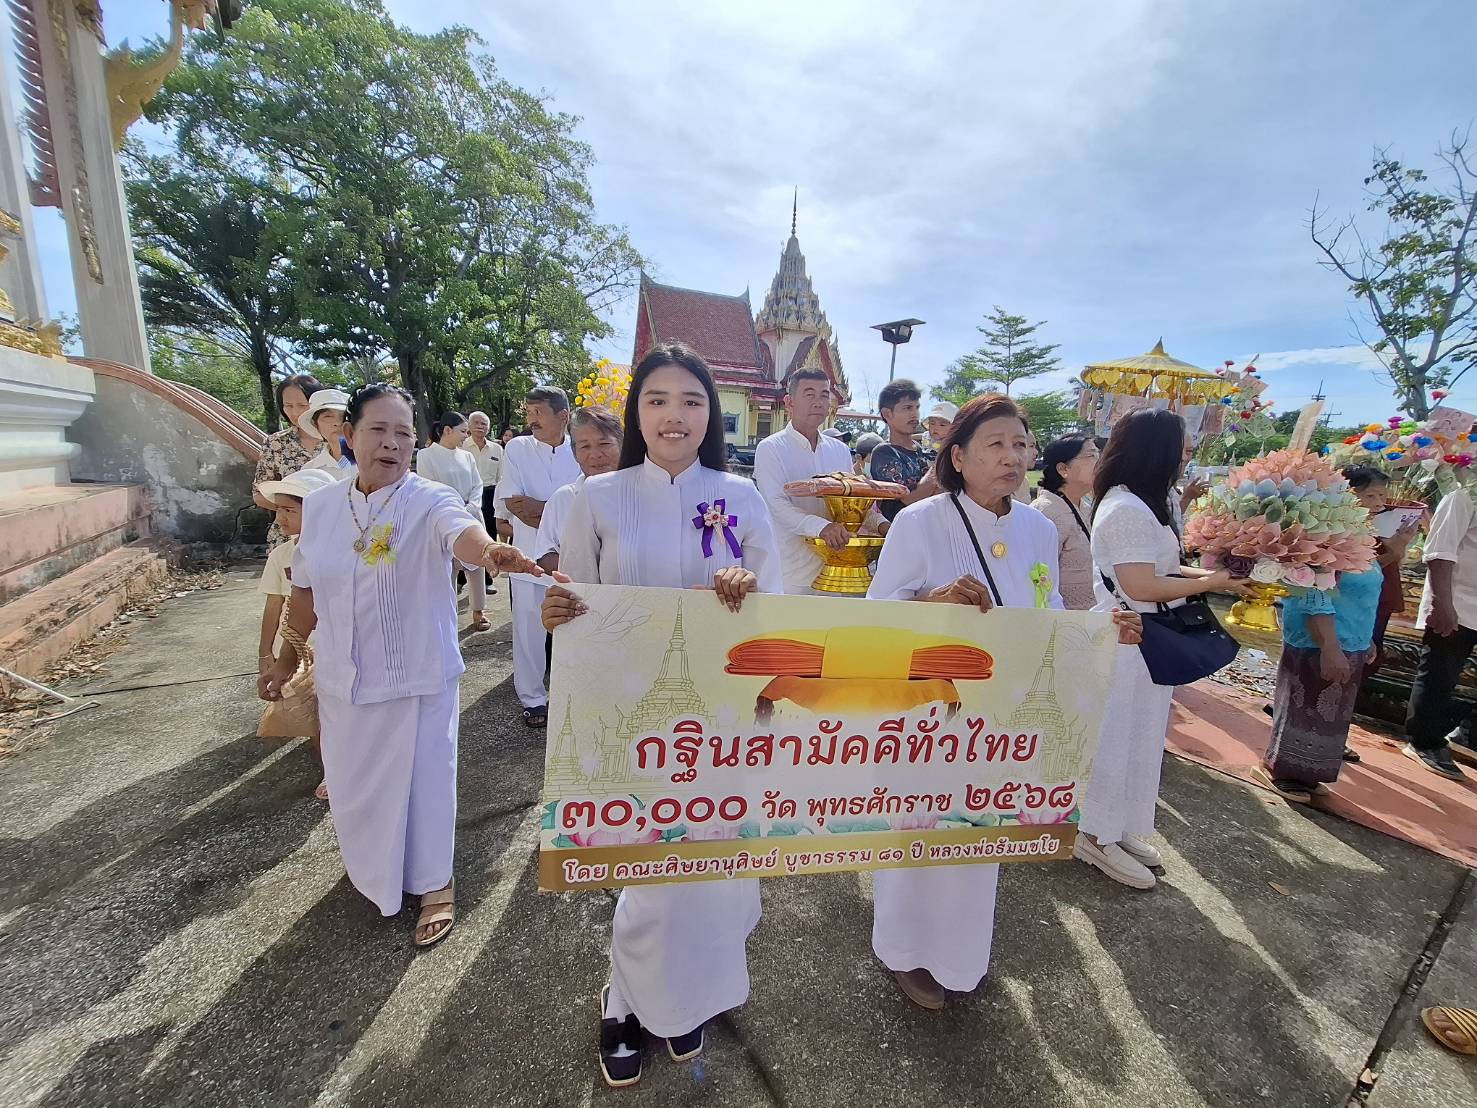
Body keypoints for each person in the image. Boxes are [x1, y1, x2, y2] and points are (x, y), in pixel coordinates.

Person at [541, 342, 780, 1089]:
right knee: (647, 869)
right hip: (630, 713)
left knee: (712, 867)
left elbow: (775, 610)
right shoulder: (596, 497)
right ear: (636, 413)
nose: (674, 415)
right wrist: (556, 612)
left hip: (723, 714)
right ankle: (623, 1002)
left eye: (691, 401)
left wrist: (747, 589)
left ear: (709, 415)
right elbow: (575, 598)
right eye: (657, 400)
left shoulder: (741, 497)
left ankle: (686, 1001)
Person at [866, 394, 1140, 1011]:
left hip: (1001, 715)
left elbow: (1046, 613)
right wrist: (933, 602)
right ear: (959, 456)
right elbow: (878, 614)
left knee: (977, 837)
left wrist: (1101, 628)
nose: (1012, 457)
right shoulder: (921, 521)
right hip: (929, 711)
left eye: (1021, 445)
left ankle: (960, 954)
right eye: (995, 444)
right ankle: (904, 950)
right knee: (917, 829)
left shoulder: (1037, 529)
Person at [261, 384, 541, 946]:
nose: (391, 443)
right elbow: (305, 591)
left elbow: (463, 535)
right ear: (348, 434)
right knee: (354, 788)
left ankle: (435, 884)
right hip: (343, 682)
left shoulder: (429, 499)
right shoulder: (322, 507)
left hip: (417, 676)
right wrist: (283, 659)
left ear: (415, 442)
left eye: (403, 433)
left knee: (426, 786)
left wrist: (491, 552)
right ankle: (375, 874)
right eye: (378, 430)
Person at [1079, 408, 1249, 889]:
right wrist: (1212, 582)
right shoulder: (1127, 509)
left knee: (1139, 736)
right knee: (1114, 739)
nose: (1185, 458)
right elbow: (1141, 585)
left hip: (1143, 639)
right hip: (1127, 637)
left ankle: (1117, 825)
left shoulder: (1139, 503)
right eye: (1181, 449)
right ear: (1157, 453)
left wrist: (1215, 576)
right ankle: (1092, 833)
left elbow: (1160, 571)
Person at [1255, 544, 1384, 803]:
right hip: (1318, 639)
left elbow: (1364, 595)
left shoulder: (1363, 542)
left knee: (1331, 713)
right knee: (1305, 705)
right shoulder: (1324, 542)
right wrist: (1330, 646)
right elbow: (1313, 594)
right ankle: (1280, 770)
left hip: (1352, 640)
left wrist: (1366, 637)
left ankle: (1308, 774)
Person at [255, 466, 341, 800]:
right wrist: (268, 654)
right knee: (316, 714)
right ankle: (332, 771)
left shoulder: (347, 551)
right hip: (305, 649)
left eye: (289, 510)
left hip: (340, 645)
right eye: (278, 510)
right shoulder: (282, 555)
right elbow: (274, 605)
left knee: (340, 714)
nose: (280, 518)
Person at [498, 387, 581, 727]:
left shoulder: (579, 449)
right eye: (528, 412)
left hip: (571, 559)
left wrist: (541, 508)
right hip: (528, 558)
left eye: (538, 412)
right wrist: (559, 510)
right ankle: (533, 698)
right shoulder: (518, 448)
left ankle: (574, 693)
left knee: (575, 628)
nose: (531, 419)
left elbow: (588, 506)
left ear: (563, 416)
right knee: (528, 633)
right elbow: (515, 505)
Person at [753, 368, 856, 594]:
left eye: (824, 395)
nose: (818, 402)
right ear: (789, 402)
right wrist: (821, 527)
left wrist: (880, 524)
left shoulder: (840, 450)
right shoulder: (771, 448)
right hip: (793, 567)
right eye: (809, 394)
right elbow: (776, 504)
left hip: (836, 564)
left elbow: (851, 498)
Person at [1403, 485, 1477, 780]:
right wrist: (1441, 603)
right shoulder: (1464, 492)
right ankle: (1424, 742)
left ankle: (1467, 734)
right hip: (1458, 602)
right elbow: (1439, 552)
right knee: (1440, 674)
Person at [417, 411, 490, 632]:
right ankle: (448, 614)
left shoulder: (467, 456)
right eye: (463, 431)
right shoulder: (426, 456)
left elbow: (477, 484)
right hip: (442, 518)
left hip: (471, 515)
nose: (466, 436)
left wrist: (472, 506)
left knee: (477, 563)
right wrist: (454, 509)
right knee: (446, 567)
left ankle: (479, 610)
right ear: (447, 430)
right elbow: (429, 488)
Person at [535, 404, 623, 573]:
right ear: (575, 453)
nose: (595, 454)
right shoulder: (563, 499)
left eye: (604, 443)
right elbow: (545, 554)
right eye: (585, 446)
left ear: (622, 445)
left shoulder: (642, 494)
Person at [1031, 433, 1100, 610]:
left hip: (1094, 616)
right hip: (1062, 620)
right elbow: (1036, 578)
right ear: (1063, 469)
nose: (1099, 462)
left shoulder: (1085, 506)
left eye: (1098, 454)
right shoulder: (1045, 512)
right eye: (1091, 455)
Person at [253, 373, 323, 546]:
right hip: (286, 535)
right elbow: (258, 494)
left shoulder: (339, 440)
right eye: (288, 406)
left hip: (330, 530)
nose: (295, 412)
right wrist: (291, 509)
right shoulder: (275, 443)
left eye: (302, 405)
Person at [870, 379, 939, 522]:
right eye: (907, 408)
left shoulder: (924, 451)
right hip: (900, 531)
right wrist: (939, 466)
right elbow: (909, 499)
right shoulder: (884, 453)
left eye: (917, 407)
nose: (915, 414)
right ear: (887, 414)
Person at [299, 389, 357, 479]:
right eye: (328, 416)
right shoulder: (309, 471)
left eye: (344, 416)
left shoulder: (373, 461)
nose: (338, 423)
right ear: (315, 424)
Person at [464, 411, 504, 524]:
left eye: (483, 424)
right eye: (476, 423)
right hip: (467, 495)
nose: (480, 426)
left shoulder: (497, 449)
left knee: (490, 529)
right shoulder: (461, 446)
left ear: (488, 428)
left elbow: (501, 476)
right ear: (469, 426)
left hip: (490, 494)